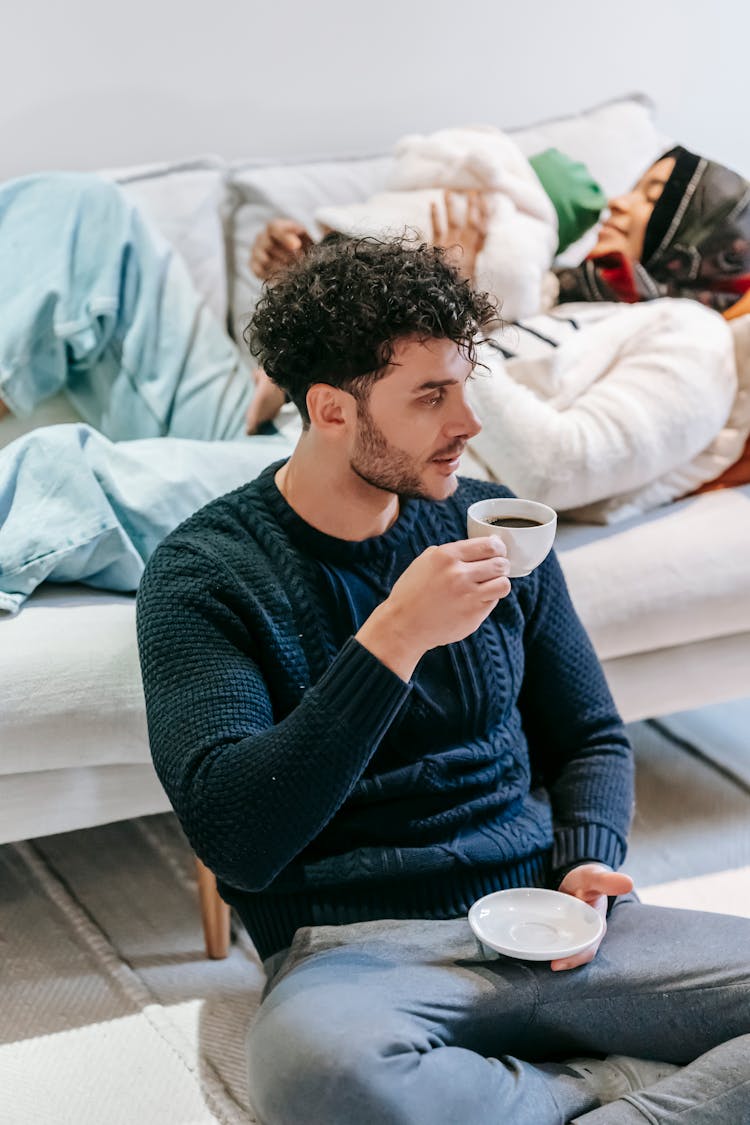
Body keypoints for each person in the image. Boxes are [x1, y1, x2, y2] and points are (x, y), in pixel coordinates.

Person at [136, 236, 750, 1125]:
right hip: (357, 955)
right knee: (321, 1081)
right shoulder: (205, 573)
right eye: (431, 395)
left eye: (465, 385)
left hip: (550, 919)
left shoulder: (493, 521)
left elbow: (589, 734)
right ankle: (598, 1084)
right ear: (331, 410)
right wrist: (392, 639)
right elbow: (239, 837)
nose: (468, 421)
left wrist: (586, 859)